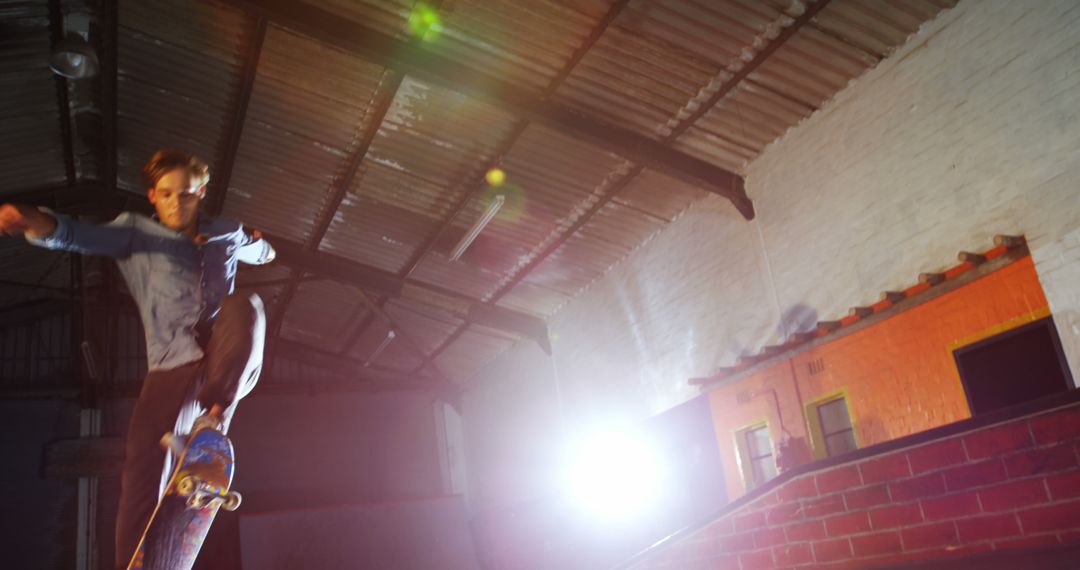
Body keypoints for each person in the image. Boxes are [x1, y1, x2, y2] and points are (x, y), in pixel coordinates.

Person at [0, 149, 275, 567]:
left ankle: (211, 422)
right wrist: (35, 223)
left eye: (185, 195)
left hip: (222, 362)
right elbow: (76, 234)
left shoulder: (225, 230)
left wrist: (257, 243)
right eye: (166, 195)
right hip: (169, 365)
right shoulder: (135, 233)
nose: (175, 204)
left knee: (246, 306)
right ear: (152, 195)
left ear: (200, 192)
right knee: (140, 476)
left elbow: (263, 253)